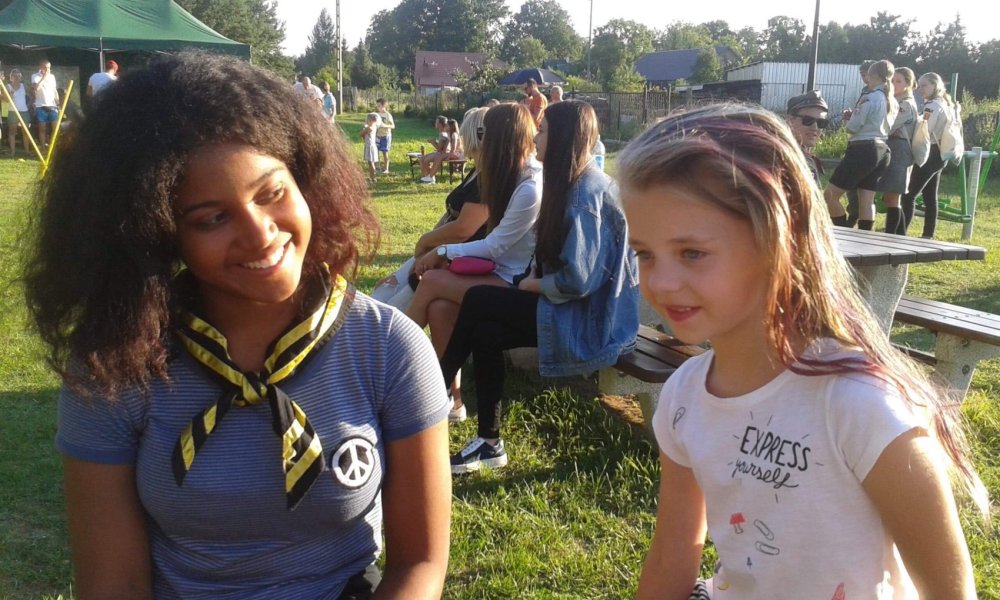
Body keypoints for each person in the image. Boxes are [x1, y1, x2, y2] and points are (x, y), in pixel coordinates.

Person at [22, 52, 451, 599]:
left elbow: (420, 563)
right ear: (154, 235)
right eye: (212, 219)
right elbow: (113, 585)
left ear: (305, 179)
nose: (260, 235)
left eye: (272, 193)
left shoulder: (389, 348)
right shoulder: (113, 367)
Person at [618, 103, 987, 599]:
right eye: (644, 253)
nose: (660, 281)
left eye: (692, 253)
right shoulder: (684, 395)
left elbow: (950, 590)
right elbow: (671, 556)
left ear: (779, 238)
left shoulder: (861, 406)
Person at [442, 100, 639, 473]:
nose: (535, 137)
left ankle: (432, 394)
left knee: (479, 299)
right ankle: (489, 443)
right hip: (572, 309)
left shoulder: (584, 196)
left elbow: (577, 281)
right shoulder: (572, 183)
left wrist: (531, 285)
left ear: (562, 138)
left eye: (543, 131)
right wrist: (531, 280)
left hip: (591, 322)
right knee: (484, 332)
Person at [405, 103, 542, 421]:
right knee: (440, 308)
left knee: (433, 282)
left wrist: (441, 252)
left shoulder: (530, 186)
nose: (480, 139)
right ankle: (452, 401)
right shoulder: (512, 175)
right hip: (500, 273)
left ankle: (386, 363)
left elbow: (495, 246)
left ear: (502, 137)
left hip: (516, 282)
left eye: (483, 132)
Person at [372, 106, 489, 312]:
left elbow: (462, 230)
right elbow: (449, 216)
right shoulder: (476, 171)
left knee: (391, 309)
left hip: (451, 258)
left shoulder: (488, 178)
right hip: (437, 249)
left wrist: (426, 243)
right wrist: (427, 245)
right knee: (381, 292)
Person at [823, 59, 897, 230]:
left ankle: (843, 231)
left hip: (863, 149)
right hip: (883, 149)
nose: (866, 79)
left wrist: (851, 119)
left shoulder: (869, 98)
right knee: (867, 201)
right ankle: (865, 236)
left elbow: (853, 127)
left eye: (868, 76)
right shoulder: (892, 100)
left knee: (830, 196)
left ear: (875, 76)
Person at [901, 72, 956, 239]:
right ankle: (928, 234)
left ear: (935, 85)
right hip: (940, 154)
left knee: (908, 195)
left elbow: (924, 130)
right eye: (919, 85)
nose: (920, 89)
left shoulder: (932, 106)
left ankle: (900, 233)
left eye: (924, 85)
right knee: (930, 196)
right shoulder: (944, 103)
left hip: (930, 153)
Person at [877, 67, 919, 235]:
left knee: (893, 196)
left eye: (899, 81)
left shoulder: (906, 104)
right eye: (892, 81)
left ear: (908, 84)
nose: (894, 84)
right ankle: (900, 235)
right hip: (891, 146)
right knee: (890, 197)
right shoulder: (894, 101)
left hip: (900, 149)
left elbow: (889, 125)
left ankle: (891, 235)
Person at [844, 60, 876, 227]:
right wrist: (852, 115)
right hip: (858, 141)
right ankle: (853, 216)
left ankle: (851, 222)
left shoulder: (877, 94)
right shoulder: (865, 91)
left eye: (867, 75)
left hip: (867, 144)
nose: (864, 78)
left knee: (862, 190)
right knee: (854, 187)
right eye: (862, 75)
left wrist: (855, 120)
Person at [785, 89, 829, 185]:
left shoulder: (801, 153)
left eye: (821, 123)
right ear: (790, 120)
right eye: (808, 120)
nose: (815, 128)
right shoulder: (786, 156)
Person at [31, 59, 59, 148]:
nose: (47, 70)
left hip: (52, 106)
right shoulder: (35, 76)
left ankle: (53, 147)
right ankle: (43, 148)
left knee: (55, 128)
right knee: (42, 129)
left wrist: (58, 104)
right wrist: (44, 77)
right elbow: (36, 88)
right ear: (40, 67)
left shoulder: (52, 77)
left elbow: (55, 91)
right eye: (45, 67)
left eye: (49, 68)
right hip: (41, 106)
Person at [418, 115, 452, 184]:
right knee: (422, 159)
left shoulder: (442, 134)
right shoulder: (443, 133)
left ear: (440, 124)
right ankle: (427, 177)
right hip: (441, 153)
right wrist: (434, 142)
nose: (435, 124)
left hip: (442, 153)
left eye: (436, 122)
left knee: (425, 160)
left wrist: (432, 142)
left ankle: (429, 178)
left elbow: (439, 149)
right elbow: (441, 147)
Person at [5, 68, 31, 157]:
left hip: (24, 111)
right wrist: (11, 92)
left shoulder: (24, 86)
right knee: (12, 132)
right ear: (11, 77)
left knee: (26, 131)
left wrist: (29, 104)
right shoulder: (8, 86)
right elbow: (6, 100)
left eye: (18, 76)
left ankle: (27, 151)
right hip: (13, 111)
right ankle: (13, 152)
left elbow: (31, 95)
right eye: (15, 76)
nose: (17, 77)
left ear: (21, 77)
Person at [375, 98, 395, 173]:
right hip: (377, 136)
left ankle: (386, 169)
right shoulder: (377, 115)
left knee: (385, 152)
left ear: (384, 106)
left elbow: (393, 126)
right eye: (377, 106)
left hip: (385, 136)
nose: (378, 107)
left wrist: (385, 125)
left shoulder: (388, 115)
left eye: (379, 106)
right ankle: (377, 167)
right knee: (376, 151)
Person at [361, 111, 380, 184]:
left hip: (370, 147)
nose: (367, 121)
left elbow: (361, 134)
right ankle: (371, 177)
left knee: (371, 163)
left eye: (368, 120)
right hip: (369, 145)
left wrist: (364, 129)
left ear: (373, 121)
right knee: (370, 163)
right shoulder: (372, 127)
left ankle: (373, 178)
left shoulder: (370, 128)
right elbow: (364, 136)